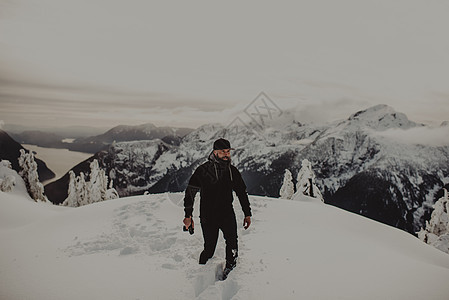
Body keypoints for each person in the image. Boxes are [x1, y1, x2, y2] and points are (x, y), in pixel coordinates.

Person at [183, 138, 252, 276]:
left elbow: (241, 193)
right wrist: (188, 215)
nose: (226, 155)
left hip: (227, 214)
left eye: (228, 152)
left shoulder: (232, 171)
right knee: (209, 248)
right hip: (208, 216)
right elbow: (190, 192)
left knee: (232, 243)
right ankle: (201, 272)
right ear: (215, 152)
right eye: (223, 152)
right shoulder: (203, 170)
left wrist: (247, 213)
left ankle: (230, 271)